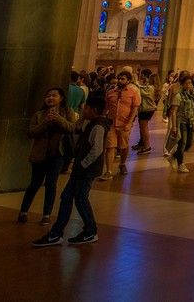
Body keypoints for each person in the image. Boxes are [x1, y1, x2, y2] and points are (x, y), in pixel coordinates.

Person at [32, 91, 109, 248]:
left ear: (93, 110)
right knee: (69, 197)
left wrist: (82, 164)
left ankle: (86, 231)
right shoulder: (89, 122)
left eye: (85, 108)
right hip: (82, 169)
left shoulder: (98, 126)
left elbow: (97, 149)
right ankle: (62, 232)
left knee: (78, 198)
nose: (83, 110)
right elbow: (74, 128)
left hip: (86, 170)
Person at [17, 88, 74, 226]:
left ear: (61, 98)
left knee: (51, 184)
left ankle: (46, 214)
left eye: (54, 95)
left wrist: (58, 119)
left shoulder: (67, 113)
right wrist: (45, 122)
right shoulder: (39, 115)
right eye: (48, 96)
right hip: (40, 154)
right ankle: (23, 211)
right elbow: (31, 132)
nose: (50, 98)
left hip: (57, 155)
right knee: (34, 184)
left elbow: (71, 128)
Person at [101, 69, 140, 178]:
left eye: (122, 79)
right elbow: (106, 107)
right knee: (110, 147)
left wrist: (129, 122)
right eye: (119, 78)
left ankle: (122, 164)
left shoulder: (133, 92)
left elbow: (135, 108)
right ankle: (108, 171)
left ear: (128, 80)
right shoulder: (111, 92)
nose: (120, 80)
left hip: (124, 124)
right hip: (111, 123)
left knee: (123, 146)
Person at [167, 75, 194, 173]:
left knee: (190, 142)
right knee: (182, 143)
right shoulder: (178, 95)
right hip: (182, 122)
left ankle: (173, 156)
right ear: (182, 84)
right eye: (187, 83)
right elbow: (173, 111)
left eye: (190, 83)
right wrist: (174, 126)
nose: (189, 85)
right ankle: (181, 164)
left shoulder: (193, 96)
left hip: (192, 121)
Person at [133, 69, 157, 154]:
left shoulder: (151, 88)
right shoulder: (150, 86)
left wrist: (135, 81)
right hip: (145, 109)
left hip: (147, 109)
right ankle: (142, 143)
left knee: (144, 128)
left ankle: (147, 146)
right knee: (142, 127)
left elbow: (141, 91)